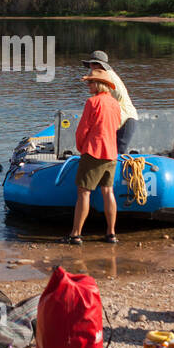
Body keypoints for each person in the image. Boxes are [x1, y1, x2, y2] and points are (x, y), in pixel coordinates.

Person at [66, 72, 122, 245]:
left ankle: (75, 234)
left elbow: (82, 130)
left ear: (99, 84)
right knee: (108, 191)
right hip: (111, 152)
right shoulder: (115, 103)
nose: (88, 86)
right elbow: (118, 125)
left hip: (93, 151)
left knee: (83, 192)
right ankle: (111, 233)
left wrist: (81, 148)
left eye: (90, 83)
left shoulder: (92, 102)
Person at [81, 50, 139, 151]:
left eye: (95, 64)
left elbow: (119, 95)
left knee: (118, 153)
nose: (92, 67)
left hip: (126, 119)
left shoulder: (109, 76)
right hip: (116, 120)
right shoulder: (100, 77)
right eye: (91, 64)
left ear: (102, 65)